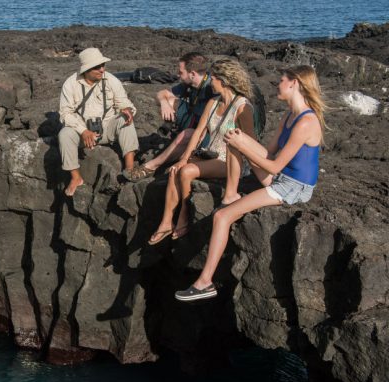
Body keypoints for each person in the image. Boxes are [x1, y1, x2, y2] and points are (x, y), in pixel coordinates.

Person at [175, 65, 325, 302]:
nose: (277, 84)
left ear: (294, 83)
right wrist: (240, 141)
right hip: (280, 175)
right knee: (235, 136)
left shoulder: (306, 122)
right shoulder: (289, 116)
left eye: (281, 80)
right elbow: (270, 153)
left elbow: (274, 166)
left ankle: (205, 283)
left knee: (221, 217)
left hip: (293, 187)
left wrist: (244, 147)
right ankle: (231, 194)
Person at [148, 59, 255, 245]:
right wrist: (183, 158)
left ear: (224, 80)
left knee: (186, 171)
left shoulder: (242, 108)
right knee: (176, 169)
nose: (210, 80)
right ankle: (166, 222)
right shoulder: (213, 102)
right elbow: (198, 132)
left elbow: (251, 142)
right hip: (209, 153)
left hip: (229, 159)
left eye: (213, 77)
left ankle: (183, 216)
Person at [58, 47, 139, 196]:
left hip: (107, 128)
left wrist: (126, 109)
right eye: (97, 67)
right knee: (64, 133)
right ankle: (76, 178)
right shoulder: (70, 84)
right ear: (86, 70)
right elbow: (65, 114)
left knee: (125, 120)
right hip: (82, 132)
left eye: (103, 66)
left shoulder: (111, 80)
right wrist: (83, 131)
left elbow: (123, 102)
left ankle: (129, 169)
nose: (102, 70)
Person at [124, 52, 215, 181]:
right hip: (194, 120)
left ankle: (150, 167)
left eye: (181, 73)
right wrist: (164, 103)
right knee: (170, 101)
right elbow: (162, 93)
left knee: (187, 134)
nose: (178, 76)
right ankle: (175, 133)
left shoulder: (213, 88)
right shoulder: (191, 83)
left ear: (192, 74)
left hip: (209, 132)